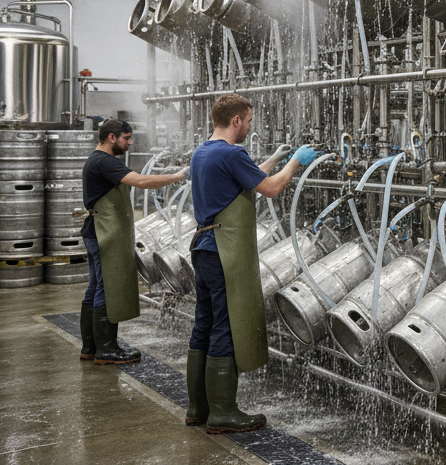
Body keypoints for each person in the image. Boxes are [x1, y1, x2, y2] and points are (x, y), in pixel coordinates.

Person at [186, 93, 317, 434]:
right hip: (224, 251)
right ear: (235, 121)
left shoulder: (204, 151)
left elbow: (247, 179)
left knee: (204, 324)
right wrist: (297, 162)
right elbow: (271, 189)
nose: (248, 128)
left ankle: (198, 408)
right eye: (248, 122)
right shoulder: (232, 153)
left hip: (203, 248)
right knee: (225, 326)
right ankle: (223, 412)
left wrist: (275, 157)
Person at [80, 118, 186, 365]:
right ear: (111, 138)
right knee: (107, 288)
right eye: (126, 138)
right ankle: (107, 350)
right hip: (105, 232)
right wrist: (177, 176)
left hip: (99, 230)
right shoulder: (104, 162)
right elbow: (140, 181)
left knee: (96, 287)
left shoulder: (98, 160)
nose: (130, 143)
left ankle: (91, 347)